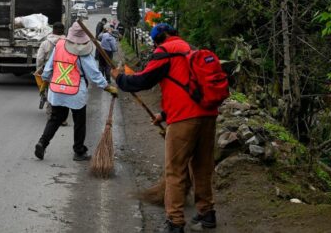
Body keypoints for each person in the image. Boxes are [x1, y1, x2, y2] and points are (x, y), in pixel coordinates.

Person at [111, 23, 218, 233]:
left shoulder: (165, 52)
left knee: (175, 171)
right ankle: (207, 214)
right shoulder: (190, 49)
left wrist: (120, 78)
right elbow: (188, 85)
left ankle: (175, 222)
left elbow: (143, 80)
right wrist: (164, 114)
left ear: (157, 39)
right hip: (207, 115)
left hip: (184, 119)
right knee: (202, 167)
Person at [35, 22, 118, 161]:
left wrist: (44, 82)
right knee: (79, 121)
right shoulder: (84, 50)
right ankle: (79, 151)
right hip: (76, 92)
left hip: (57, 89)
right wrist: (107, 86)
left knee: (55, 118)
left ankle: (42, 143)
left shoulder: (59, 45)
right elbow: (93, 73)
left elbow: (49, 67)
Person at [35, 22, 67, 125]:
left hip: (49, 71)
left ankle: (51, 116)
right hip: (64, 72)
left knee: (50, 93)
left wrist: (39, 69)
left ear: (53, 30)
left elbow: (39, 58)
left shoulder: (45, 43)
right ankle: (62, 118)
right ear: (63, 30)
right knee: (63, 93)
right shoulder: (67, 42)